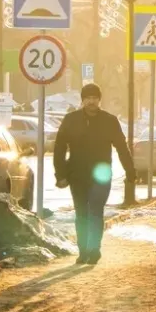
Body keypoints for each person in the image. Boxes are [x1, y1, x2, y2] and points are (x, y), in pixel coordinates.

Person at [53, 83, 135, 266]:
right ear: (82, 100)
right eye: (88, 98)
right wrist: (61, 174)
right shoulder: (71, 120)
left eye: (95, 98)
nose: (91, 101)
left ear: (99, 100)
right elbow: (59, 148)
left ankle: (94, 248)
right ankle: (83, 251)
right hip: (77, 173)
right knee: (81, 213)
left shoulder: (109, 121)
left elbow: (122, 147)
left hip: (101, 173)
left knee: (96, 211)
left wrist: (130, 171)